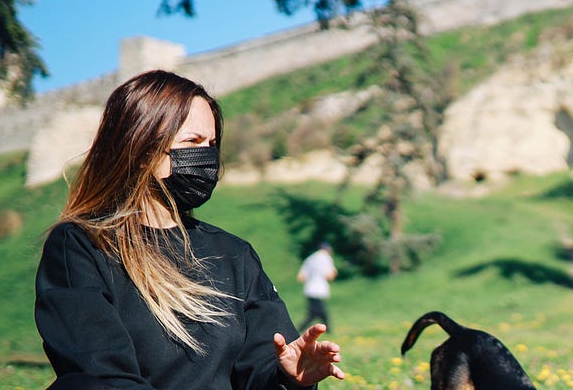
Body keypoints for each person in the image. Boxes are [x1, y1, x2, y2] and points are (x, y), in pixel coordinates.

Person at [34, 70, 347, 389]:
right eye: (193, 142)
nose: (207, 156)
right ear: (142, 149)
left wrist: (287, 378)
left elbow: (261, 365)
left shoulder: (234, 255)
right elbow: (100, 374)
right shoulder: (83, 245)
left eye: (212, 143)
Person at [297, 242, 338, 333]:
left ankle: (328, 331)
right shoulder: (326, 258)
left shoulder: (310, 259)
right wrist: (335, 272)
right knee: (317, 314)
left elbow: (301, 277)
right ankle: (328, 331)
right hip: (319, 289)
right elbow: (330, 276)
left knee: (316, 313)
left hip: (309, 289)